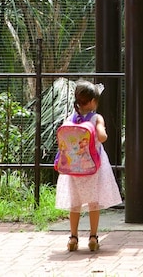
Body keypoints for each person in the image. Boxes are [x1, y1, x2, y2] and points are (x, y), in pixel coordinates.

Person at [56, 80, 122, 252]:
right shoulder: (96, 118)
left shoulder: (70, 118)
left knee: (74, 203)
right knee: (94, 202)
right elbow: (102, 136)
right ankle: (93, 237)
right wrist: (100, 131)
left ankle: (73, 238)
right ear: (93, 101)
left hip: (73, 168)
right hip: (93, 167)